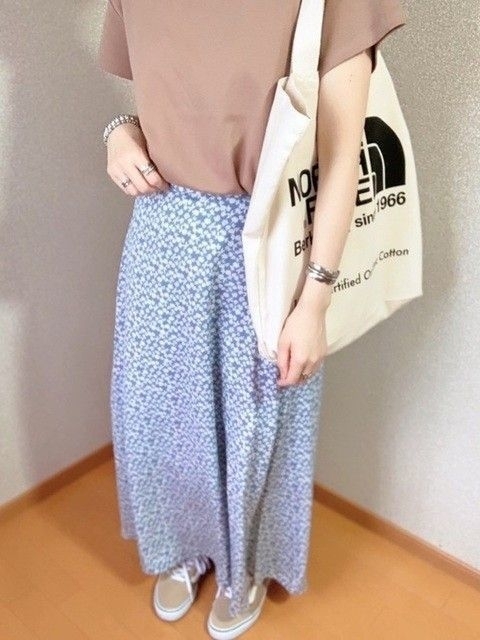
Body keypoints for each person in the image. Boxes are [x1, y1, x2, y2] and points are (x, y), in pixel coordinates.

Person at [97, 1, 406, 638]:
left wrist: (315, 300)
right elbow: (162, 97)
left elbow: (343, 155)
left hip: (269, 239)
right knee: (161, 416)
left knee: (260, 425)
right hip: (162, 228)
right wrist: (119, 132)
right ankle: (181, 546)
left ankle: (246, 570)